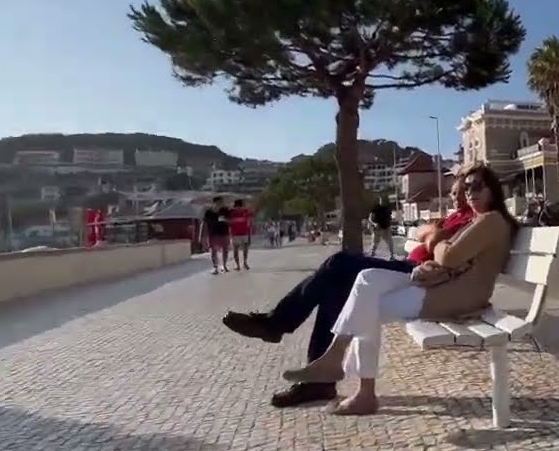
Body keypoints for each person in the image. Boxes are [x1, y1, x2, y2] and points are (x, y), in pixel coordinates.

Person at [280, 164, 518, 414]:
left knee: (366, 302)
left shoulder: (492, 220)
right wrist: (440, 249)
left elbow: (449, 255)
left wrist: (438, 242)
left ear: (493, 190)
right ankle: (341, 366)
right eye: (466, 187)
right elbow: (449, 254)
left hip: (458, 297)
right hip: (443, 285)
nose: (469, 192)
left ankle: (356, 385)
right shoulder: (480, 220)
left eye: (477, 186)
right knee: (366, 279)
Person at [221, 178, 474, 408]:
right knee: (335, 287)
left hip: (418, 275)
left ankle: (277, 323)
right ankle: (317, 382)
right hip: (409, 268)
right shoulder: (456, 216)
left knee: (338, 263)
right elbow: (423, 233)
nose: (455, 197)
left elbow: (438, 243)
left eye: (460, 191)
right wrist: (433, 234)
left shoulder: (471, 218)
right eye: (454, 192)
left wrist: (434, 234)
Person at [201, 196, 232, 275]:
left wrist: (225, 220)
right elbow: (205, 223)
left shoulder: (225, 210)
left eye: (222, 203)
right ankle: (215, 267)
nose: (221, 204)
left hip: (224, 233)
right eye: (220, 203)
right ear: (215, 203)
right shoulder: (209, 212)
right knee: (214, 251)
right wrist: (203, 237)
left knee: (225, 250)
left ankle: (224, 265)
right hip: (213, 233)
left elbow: (230, 220)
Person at [229, 199, 254, 270]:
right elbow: (229, 222)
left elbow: (250, 218)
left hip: (244, 233)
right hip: (235, 234)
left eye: (240, 206)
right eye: (237, 207)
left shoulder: (246, 212)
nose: (238, 208)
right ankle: (237, 265)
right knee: (235, 250)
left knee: (245, 249)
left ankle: (245, 262)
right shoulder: (232, 213)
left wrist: (250, 234)